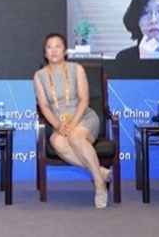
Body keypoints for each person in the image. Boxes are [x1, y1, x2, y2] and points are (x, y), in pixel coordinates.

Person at [33, 33, 109, 208]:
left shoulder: (77, 69)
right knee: (58, 142)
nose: (53, 50)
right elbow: (44, 106)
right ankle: (99, 172)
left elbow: (84, 100)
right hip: (59, 123)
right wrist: (58, 126)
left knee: (75, 137)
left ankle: (99, 186)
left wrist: (72, 125)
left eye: (58, 46)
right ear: (45, 53)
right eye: (49, 47)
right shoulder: (39, 76)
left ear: (65, 51)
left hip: (83, 118)